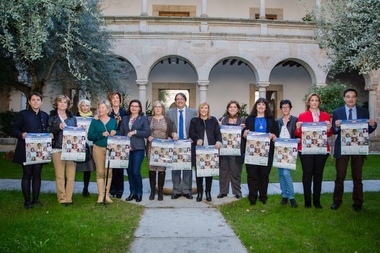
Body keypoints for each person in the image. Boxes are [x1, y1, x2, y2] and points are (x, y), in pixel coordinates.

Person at [330, 88, 377, 212]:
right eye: (348, 96)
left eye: (353, 96)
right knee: (340, 177)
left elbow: (367, 130)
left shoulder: (363, 112)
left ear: (356, 98)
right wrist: (335, 126)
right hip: (343, 147)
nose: (350, 99)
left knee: (358, 178)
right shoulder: (337, 112)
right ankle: (336, 201)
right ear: (344, 98)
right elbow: (334, 131)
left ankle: (358, 203)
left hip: (358, 147)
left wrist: (373, 125)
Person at [11, 92, 49, 209]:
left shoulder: (44, 115)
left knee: (37, 174)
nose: (35, 101)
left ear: (41, 102)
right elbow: (14, 129)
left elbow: (46, 129)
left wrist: (50, 135)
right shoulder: (23, 114)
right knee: (27, 174)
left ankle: (35, 199)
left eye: (38, 99)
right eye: (33, 99)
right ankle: (27, 201)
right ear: (29, 102)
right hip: (26, 149)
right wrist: (21, 134)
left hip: (40, 149)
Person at [294, 93, 332, 209]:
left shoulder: (325, 116)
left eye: (316, 100)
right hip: (306, 149)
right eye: (312, 100)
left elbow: (329, 134)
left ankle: (317, 201)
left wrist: (329, 128)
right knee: (307, 173)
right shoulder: (302, 115)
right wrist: (297, 128)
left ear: (319, 102)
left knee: (318, 174)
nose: (314, 102)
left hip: (321, 149)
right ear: (308, 102)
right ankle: (307, 202)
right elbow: (298, 134)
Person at [242, 98, 278, 206]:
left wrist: (273, 136)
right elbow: (244, 134)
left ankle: (263, 196)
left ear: (266, 107)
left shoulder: (271, 120)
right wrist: (245, 133)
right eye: (259, 104)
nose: (261, 106)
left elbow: (276, 134)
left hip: (266, 152)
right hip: (252, 151)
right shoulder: (249, 119)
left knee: (264, 174)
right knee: (252, 174)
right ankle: (252, 196)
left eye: (263, 104)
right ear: (256, 106)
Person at [48, 95, 77, 205]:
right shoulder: (52, 116)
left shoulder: (72, 118)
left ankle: (69, 198)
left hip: (70, 150)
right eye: (60, 102)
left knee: (70, 175)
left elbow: (76, 132)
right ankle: (61, 198)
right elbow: (48, 129)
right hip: (57, 148)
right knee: (59, 175)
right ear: (56, 103)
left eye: (65, 102)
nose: (62, 104)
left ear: (68, 104)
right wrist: (57, 127)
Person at [166, 93, 197, 199]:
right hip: (175, 144)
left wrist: (194, 137)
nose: (180, 101)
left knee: (187, 168)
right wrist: (171, 134)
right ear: (175, 101)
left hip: (188, 143)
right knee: (176, 168)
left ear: (185, 100)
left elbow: (196, 126)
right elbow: (168, 127)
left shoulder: (193, 112)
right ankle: (176, 190)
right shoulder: (169, 113)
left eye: (182, 99)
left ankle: (187, 190)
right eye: (177, 99)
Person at [189, 102, 222, 202]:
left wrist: (218, 141)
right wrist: (197, 139)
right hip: (199, 149)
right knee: (199, 172)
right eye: (202, 108)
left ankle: (208, 192)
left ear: (208, 110)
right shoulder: (194, 120)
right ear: (199, 110)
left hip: (211, 149)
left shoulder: (213, 120)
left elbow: (217, 133)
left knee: (209, 172)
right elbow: (191, 132)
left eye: (206, 108)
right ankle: (200, 193)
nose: (204, 110)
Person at [120, 99, 150, 202]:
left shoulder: (143, 118)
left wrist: (135, 132)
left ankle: (139, 193)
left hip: (138, 148)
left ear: (139, 108)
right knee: (129, 171)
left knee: (136, 171)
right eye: (132, 106)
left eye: (136, 106)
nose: (134, 108)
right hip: (126, 149)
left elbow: (147, 132)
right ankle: (132, 192)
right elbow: (122, 132)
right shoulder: (124, 118)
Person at [88, 100, 117, 204]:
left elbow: (117, 132)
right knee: (100, 172)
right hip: (98, 148)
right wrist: (101, 134)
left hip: (110, 149)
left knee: (109, 172)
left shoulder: (113, 121)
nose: (100, 109)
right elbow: (90, 136)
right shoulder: (94, 121)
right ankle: (100, 195)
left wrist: (115, 132)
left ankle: (106, 195)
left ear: (108, 109)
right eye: (99, 107)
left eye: (103, 107)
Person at [146, 101, 176, 201]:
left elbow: (171, 131)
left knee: (162, 171)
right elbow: (145, 131)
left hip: (163, 148)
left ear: (162, 109)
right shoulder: (149, 119)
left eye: (160, 107)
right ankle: (152, 191)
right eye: (156, 107)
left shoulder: (167, 119)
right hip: (152, 147)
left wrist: (172, 136)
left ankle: (160, 192)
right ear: (153, 109)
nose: (158, 109)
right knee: (152, 170)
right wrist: (148, 136)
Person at [217, 100, 245, 199]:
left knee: (236, 172)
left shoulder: (242, 121)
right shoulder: (222, 120)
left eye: (234, 107)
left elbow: (246, 136)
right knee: (223, 171)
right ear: (228, 109)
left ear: (238, 109)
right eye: (230, 107)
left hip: (236, 151)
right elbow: (217, 134)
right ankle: (223, 191)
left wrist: (244, 130)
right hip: (224, 151)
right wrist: (218, 126)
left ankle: (237, 191)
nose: (232, 108)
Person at [275, 99, 298, 208]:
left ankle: (292, 197)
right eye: (283, 107)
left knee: (286, 173)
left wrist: (298, 139)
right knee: (281, 174)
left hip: (290, 150)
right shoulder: (277, 122)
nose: (285, 109)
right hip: (279, 150)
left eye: (287, 107)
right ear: (281, 109)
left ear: (290, 108)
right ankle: (284, 195)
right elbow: (275, 135)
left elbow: (298, 133)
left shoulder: (295, 120)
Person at [107, 91, 128, 199]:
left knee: (119, 167)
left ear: (120, 100)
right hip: (109, 142)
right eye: (113, 98)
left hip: (121, 142)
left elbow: (127, 128)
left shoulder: (125, 113)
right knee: (111, 166)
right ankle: (112, 189)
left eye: (117, 98)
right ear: (110, 100)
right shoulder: (107, 112)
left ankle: (120, 190)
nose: (115, 100)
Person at [76, 99, 95, 197]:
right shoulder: (75, 118)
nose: (85, 107)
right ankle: (68, 188)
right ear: (79, 107)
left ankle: (85, 189)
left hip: (89, 145)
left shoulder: (93, 118)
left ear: (90, 107)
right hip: (77, 145)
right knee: (72, 168)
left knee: (87, 168)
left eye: (87, 105)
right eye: (82, 105)